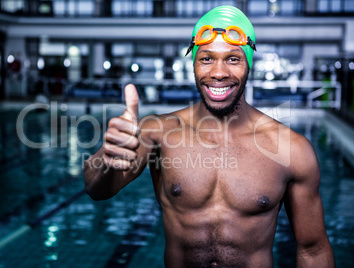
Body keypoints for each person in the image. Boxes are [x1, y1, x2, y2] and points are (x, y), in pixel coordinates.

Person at [84, 5, 335, 267]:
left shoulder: (291, 149)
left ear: (248, 63)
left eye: (233, 59)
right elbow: (95, 190)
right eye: (206, 58)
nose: (218, 72)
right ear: (193, 64)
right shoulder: (158, 132)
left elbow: (313, 250)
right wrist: (108, 154)